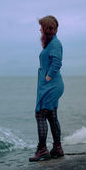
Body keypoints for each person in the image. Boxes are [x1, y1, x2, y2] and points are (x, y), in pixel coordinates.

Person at [29, 15, 64, 162]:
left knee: (40, 114)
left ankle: (42, 149)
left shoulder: (55, 44)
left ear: (47, 29)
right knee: (51, 115)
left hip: (51, 85)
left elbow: (57, 62)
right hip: (50, 85)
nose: (39, 29)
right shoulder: (52, 43)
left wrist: (47, 77)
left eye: (42, 27)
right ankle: (57, 148)